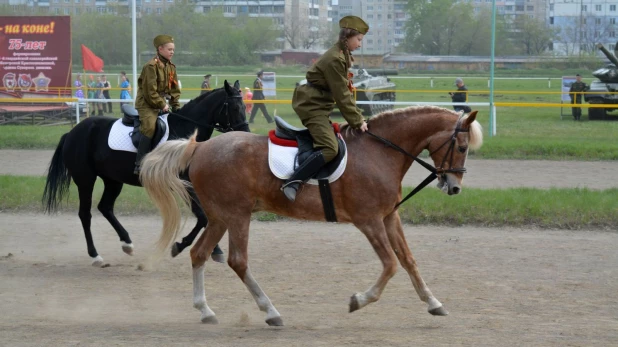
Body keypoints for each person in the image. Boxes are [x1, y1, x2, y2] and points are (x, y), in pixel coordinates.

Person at [281, 15, 369, 202]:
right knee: (330, 148)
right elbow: (342, 95)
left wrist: (358, 117)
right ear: (347, 36)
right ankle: (294, 181)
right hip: (312, 106)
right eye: (359, 39)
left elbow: (343, 89)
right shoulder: (335, 59)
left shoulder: (342, 55)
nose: (360, 44)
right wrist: (357, 121)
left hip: (319, 104)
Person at [134, 34, 181, 175]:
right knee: (149, 127)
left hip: (161, 103)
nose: (172, 52)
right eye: (169, 49)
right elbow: (150, 92)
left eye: (173, 49)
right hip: (147, 104)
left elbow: (174, 89)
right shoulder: (150, 67)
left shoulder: (171, 67)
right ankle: (139, 164)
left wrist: (176, 105)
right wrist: (162, 105)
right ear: (160, 49)